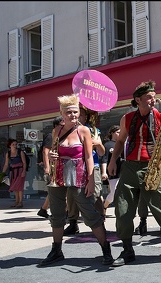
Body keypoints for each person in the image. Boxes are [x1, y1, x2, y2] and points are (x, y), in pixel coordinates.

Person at [107, 80, 161, 266]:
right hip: (130, 167)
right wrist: (113, 160)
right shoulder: (127, 118)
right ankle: (127, 250)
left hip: (152, 168)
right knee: (123, 210)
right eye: (149, 98)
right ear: (138, 99)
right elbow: (121, 141)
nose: (153, 101)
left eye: (154, 97)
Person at [39, 93, 113, 267]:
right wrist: (51, 156)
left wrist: (91, 180)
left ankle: (106, 249)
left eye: (75, 112)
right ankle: (56, 250)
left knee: (90, 213)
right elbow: (52, 152)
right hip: (58, 176)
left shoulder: (84, 130)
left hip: (79, 175)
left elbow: (88, 156)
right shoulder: (56, 130)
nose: (72, 115)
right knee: (57, 215)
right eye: (68, 112)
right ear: (62, 113)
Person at [63, 106, 105, 235]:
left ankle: (100, 222)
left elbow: (102, 152)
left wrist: (97, 144)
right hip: (75, 166)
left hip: (94, 166)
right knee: (71, 195)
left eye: (81, 115)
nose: (79, 117)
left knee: (96, 194)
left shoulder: (93, 130)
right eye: (79, 114)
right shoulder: (68, 130)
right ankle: (73, 223)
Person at [37, 116, 64, 219]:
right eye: (62, 125)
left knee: (54, 190)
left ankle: (43, 209)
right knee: (55, 190)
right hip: (52, 167)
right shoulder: (51, 136)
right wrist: (47, 168)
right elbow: (45, 151)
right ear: (56, 126)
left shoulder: (61, 135)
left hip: (58, 166)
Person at [101, 125, 123, 214]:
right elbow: (104, 159)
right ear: (112, 133)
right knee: (113, 194)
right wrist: (103, 172)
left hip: (123, 171)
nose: (120, 134)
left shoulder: (122, 143)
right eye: (118, 132)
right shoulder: (107, 145)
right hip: (113, 173)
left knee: (121, 193)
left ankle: (121, 212)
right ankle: (104, 206)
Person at [2, 138, 27, 208]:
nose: (15, 146)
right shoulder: (8, 153)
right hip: (13, 171)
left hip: (20, 170)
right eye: (13, 144)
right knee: (15, 187)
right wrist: (2, 173)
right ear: (10, 145)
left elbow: (24, 163)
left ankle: (20, 202)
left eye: (16, 144)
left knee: (19, 187)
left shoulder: (20, 152)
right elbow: (6, 164)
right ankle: (16, 202)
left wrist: (24, 171)